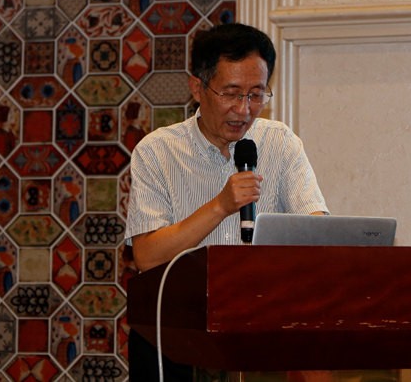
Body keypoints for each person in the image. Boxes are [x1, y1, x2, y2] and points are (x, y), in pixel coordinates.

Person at [124, 23, 329, 381]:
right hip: (179, 331)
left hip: (265, 322)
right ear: (197, 88)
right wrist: (220, 206)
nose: (244, 109)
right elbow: (147, 256)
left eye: (256, 94)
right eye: (231, 93)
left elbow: (316, 233)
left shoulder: (280, 143)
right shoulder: (157, 151)